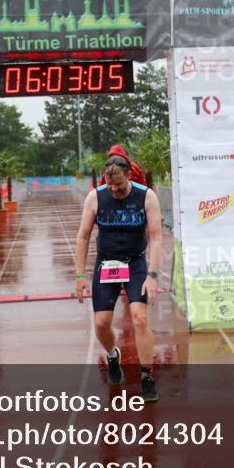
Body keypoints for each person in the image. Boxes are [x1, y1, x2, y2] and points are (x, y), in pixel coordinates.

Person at [76, 155, 163, 401]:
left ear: (129, 177)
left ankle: (146, 377)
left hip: (135, 262)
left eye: (119, 185)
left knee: (140, 317)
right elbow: (82, 236)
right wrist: (80, 275)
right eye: (110, 185)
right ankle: (113, 356)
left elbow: (156, 237)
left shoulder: (147, 196)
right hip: (107, 263)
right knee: (102, 324)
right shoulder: (95, 197)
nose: (114, 189)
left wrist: (153, 275)